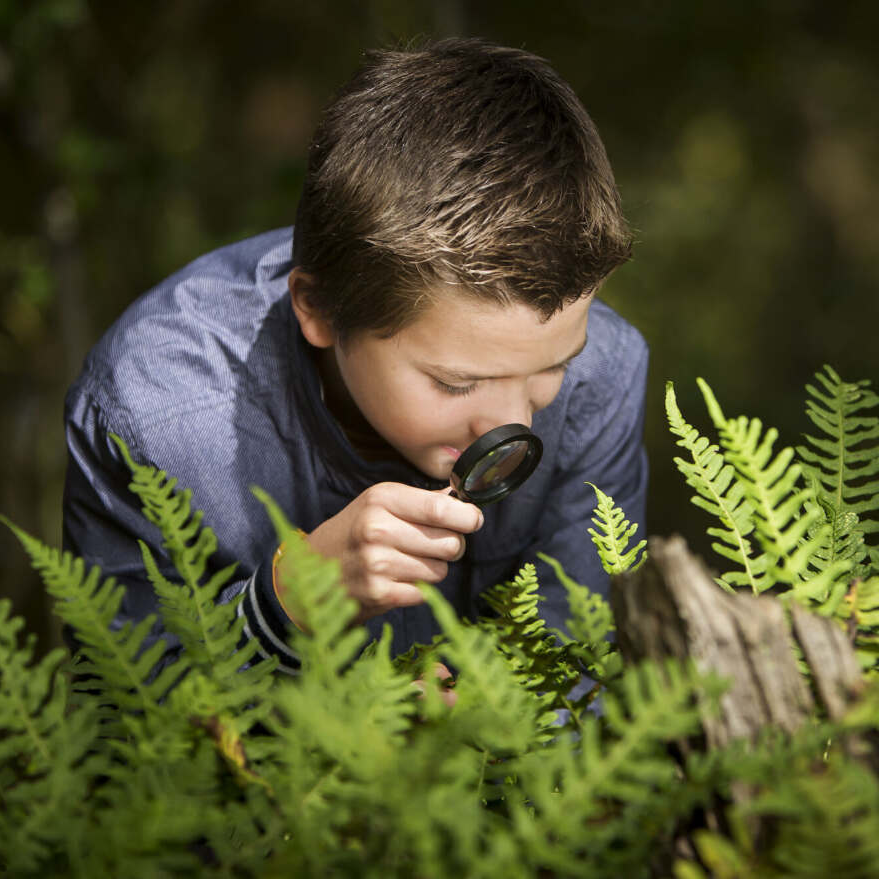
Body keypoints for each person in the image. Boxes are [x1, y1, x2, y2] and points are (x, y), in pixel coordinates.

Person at [61, 38, 648, 673]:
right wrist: (287, 606)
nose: (515, 426)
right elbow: (121, 716)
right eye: (455, 384)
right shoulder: (157, 415)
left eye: (551, 370)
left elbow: (580, 666)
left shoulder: (604, 376)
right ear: (318, 308)